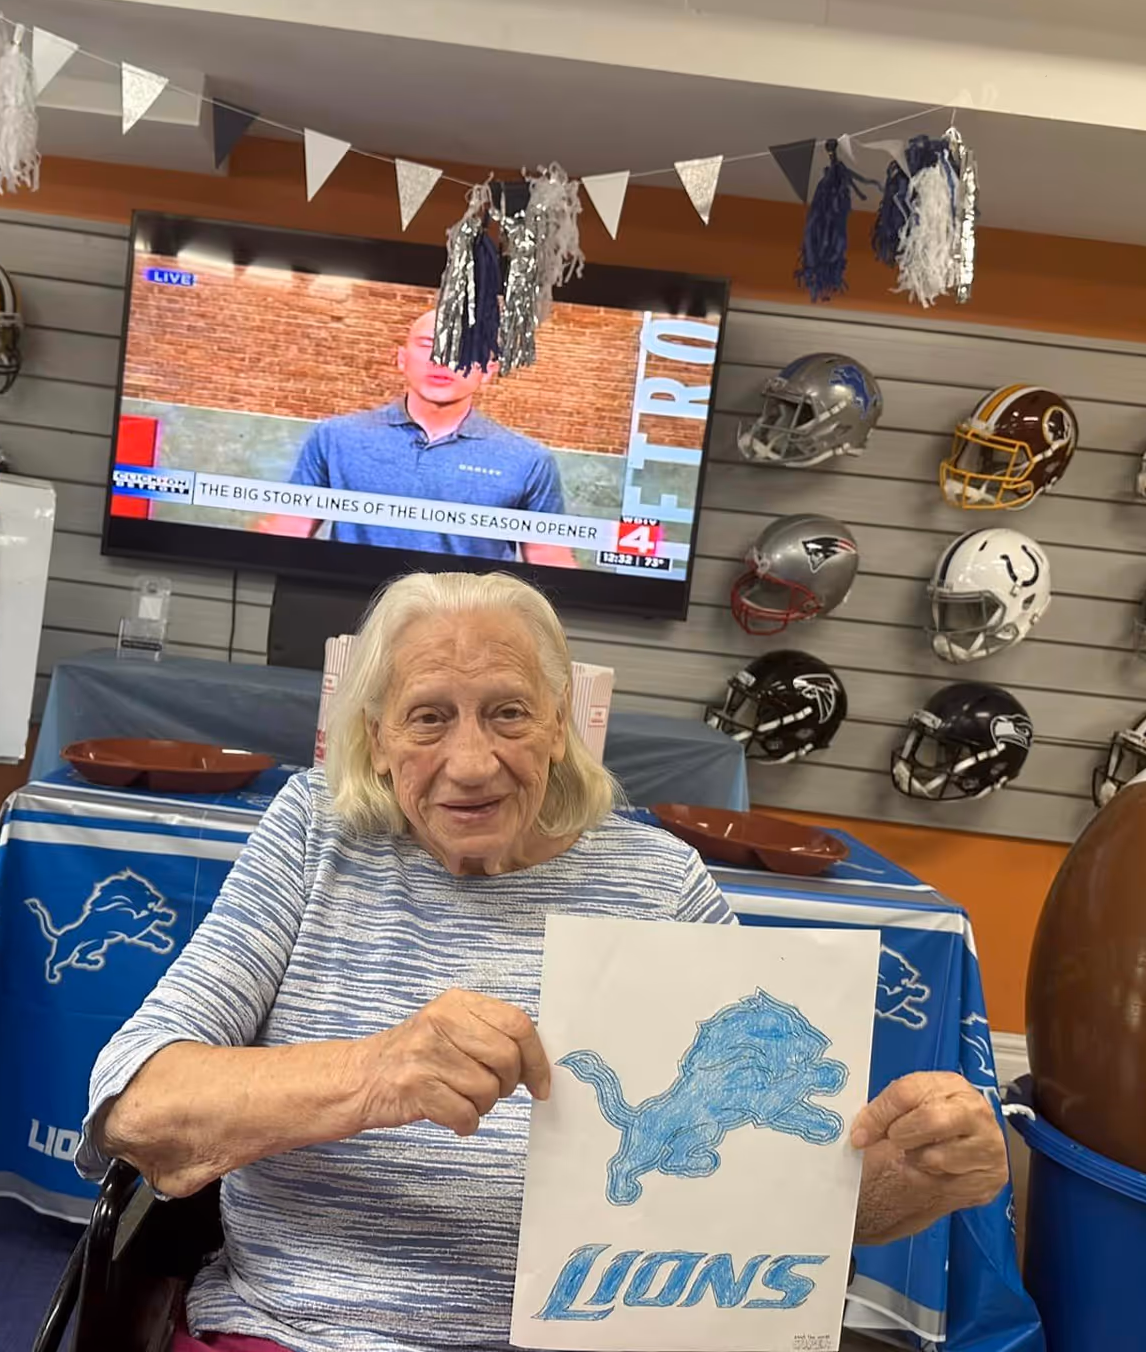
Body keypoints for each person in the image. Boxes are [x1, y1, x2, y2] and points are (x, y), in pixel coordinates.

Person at [78, 571, 1010, 1352]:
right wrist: (373, 1074)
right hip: (306, 1331)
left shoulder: (658, 883)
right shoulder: (316, 838)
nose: (472, 761)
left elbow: (769, 1211)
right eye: (429, 718)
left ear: (560, 723)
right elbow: (136, 1109)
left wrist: (911, 1180)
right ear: (374, 735)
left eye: (509, 714)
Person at [255, 310, 578, 567]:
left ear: (488, 370)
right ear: (401, 359)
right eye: (428, 345)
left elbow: (548, 558)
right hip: (354, 617)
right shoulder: (336, 438)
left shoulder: (528, 461)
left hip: (467, 630)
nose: (444, 360)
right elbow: (290, 530)